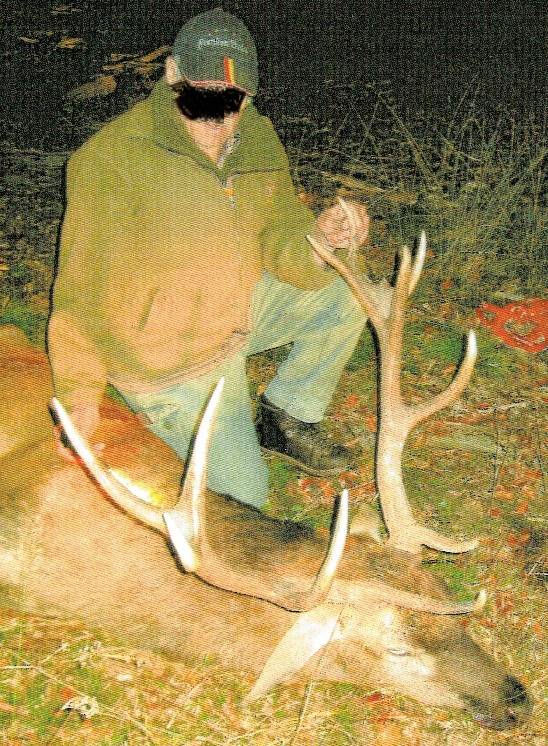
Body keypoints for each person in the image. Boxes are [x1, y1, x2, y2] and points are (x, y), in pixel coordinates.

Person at [48, 8, 369, 509]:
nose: (217, 118)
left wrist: (321, 240)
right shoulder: (110, 160)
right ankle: (176, 420)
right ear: (173, 75)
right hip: (169, 360)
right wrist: (80, 400)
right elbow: (78, 296)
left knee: (351, 290)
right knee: (241, 502)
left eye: (232, 100)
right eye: (200, 97)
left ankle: (287, 414)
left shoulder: (256, 139)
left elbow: (281, 234)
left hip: (232, 314)